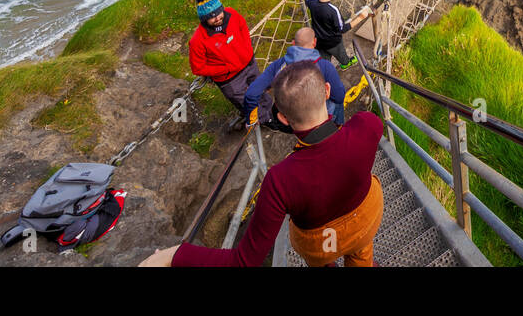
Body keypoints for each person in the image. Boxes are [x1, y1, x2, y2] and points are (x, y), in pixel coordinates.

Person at [142, 61, 384, 268]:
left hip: (319, 244)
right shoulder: (366, 126)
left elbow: (244, 260)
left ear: (283, 118)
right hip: (365, 219)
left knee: (321, 257)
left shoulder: (279, 181)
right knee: (361, 250)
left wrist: (174, 254)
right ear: (327, 90)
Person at [242, 27, 346, 129]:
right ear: (314, 42)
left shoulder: (278, 65)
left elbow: (251, 94)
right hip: (321, 117)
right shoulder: (325, 66)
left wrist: (252, 120)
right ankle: (338, 125)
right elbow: (339, 96)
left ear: (293, 43)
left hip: (296, 121)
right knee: (337, 103)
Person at [188, 0, 258, 121]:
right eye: (211, 17)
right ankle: (261, 122)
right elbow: (197, 68)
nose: (217, 18)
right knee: (247, 105)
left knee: (259, 90)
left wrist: (247, 50)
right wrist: (226, 68)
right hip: (231, 80)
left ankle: (269, 113)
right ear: (204, 19)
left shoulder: (231, 13)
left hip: (249, 63)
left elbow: (242, 26)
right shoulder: (197, 41)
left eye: (218, 12)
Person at [304, 0, 370, 69]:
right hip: (333, 42)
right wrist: (361, 17)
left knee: (324, 61)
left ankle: (325, 72)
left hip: (319, 41)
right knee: (341, 55)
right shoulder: (333, 10)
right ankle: (345, 64)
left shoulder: (313, 3)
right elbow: (342, 29)